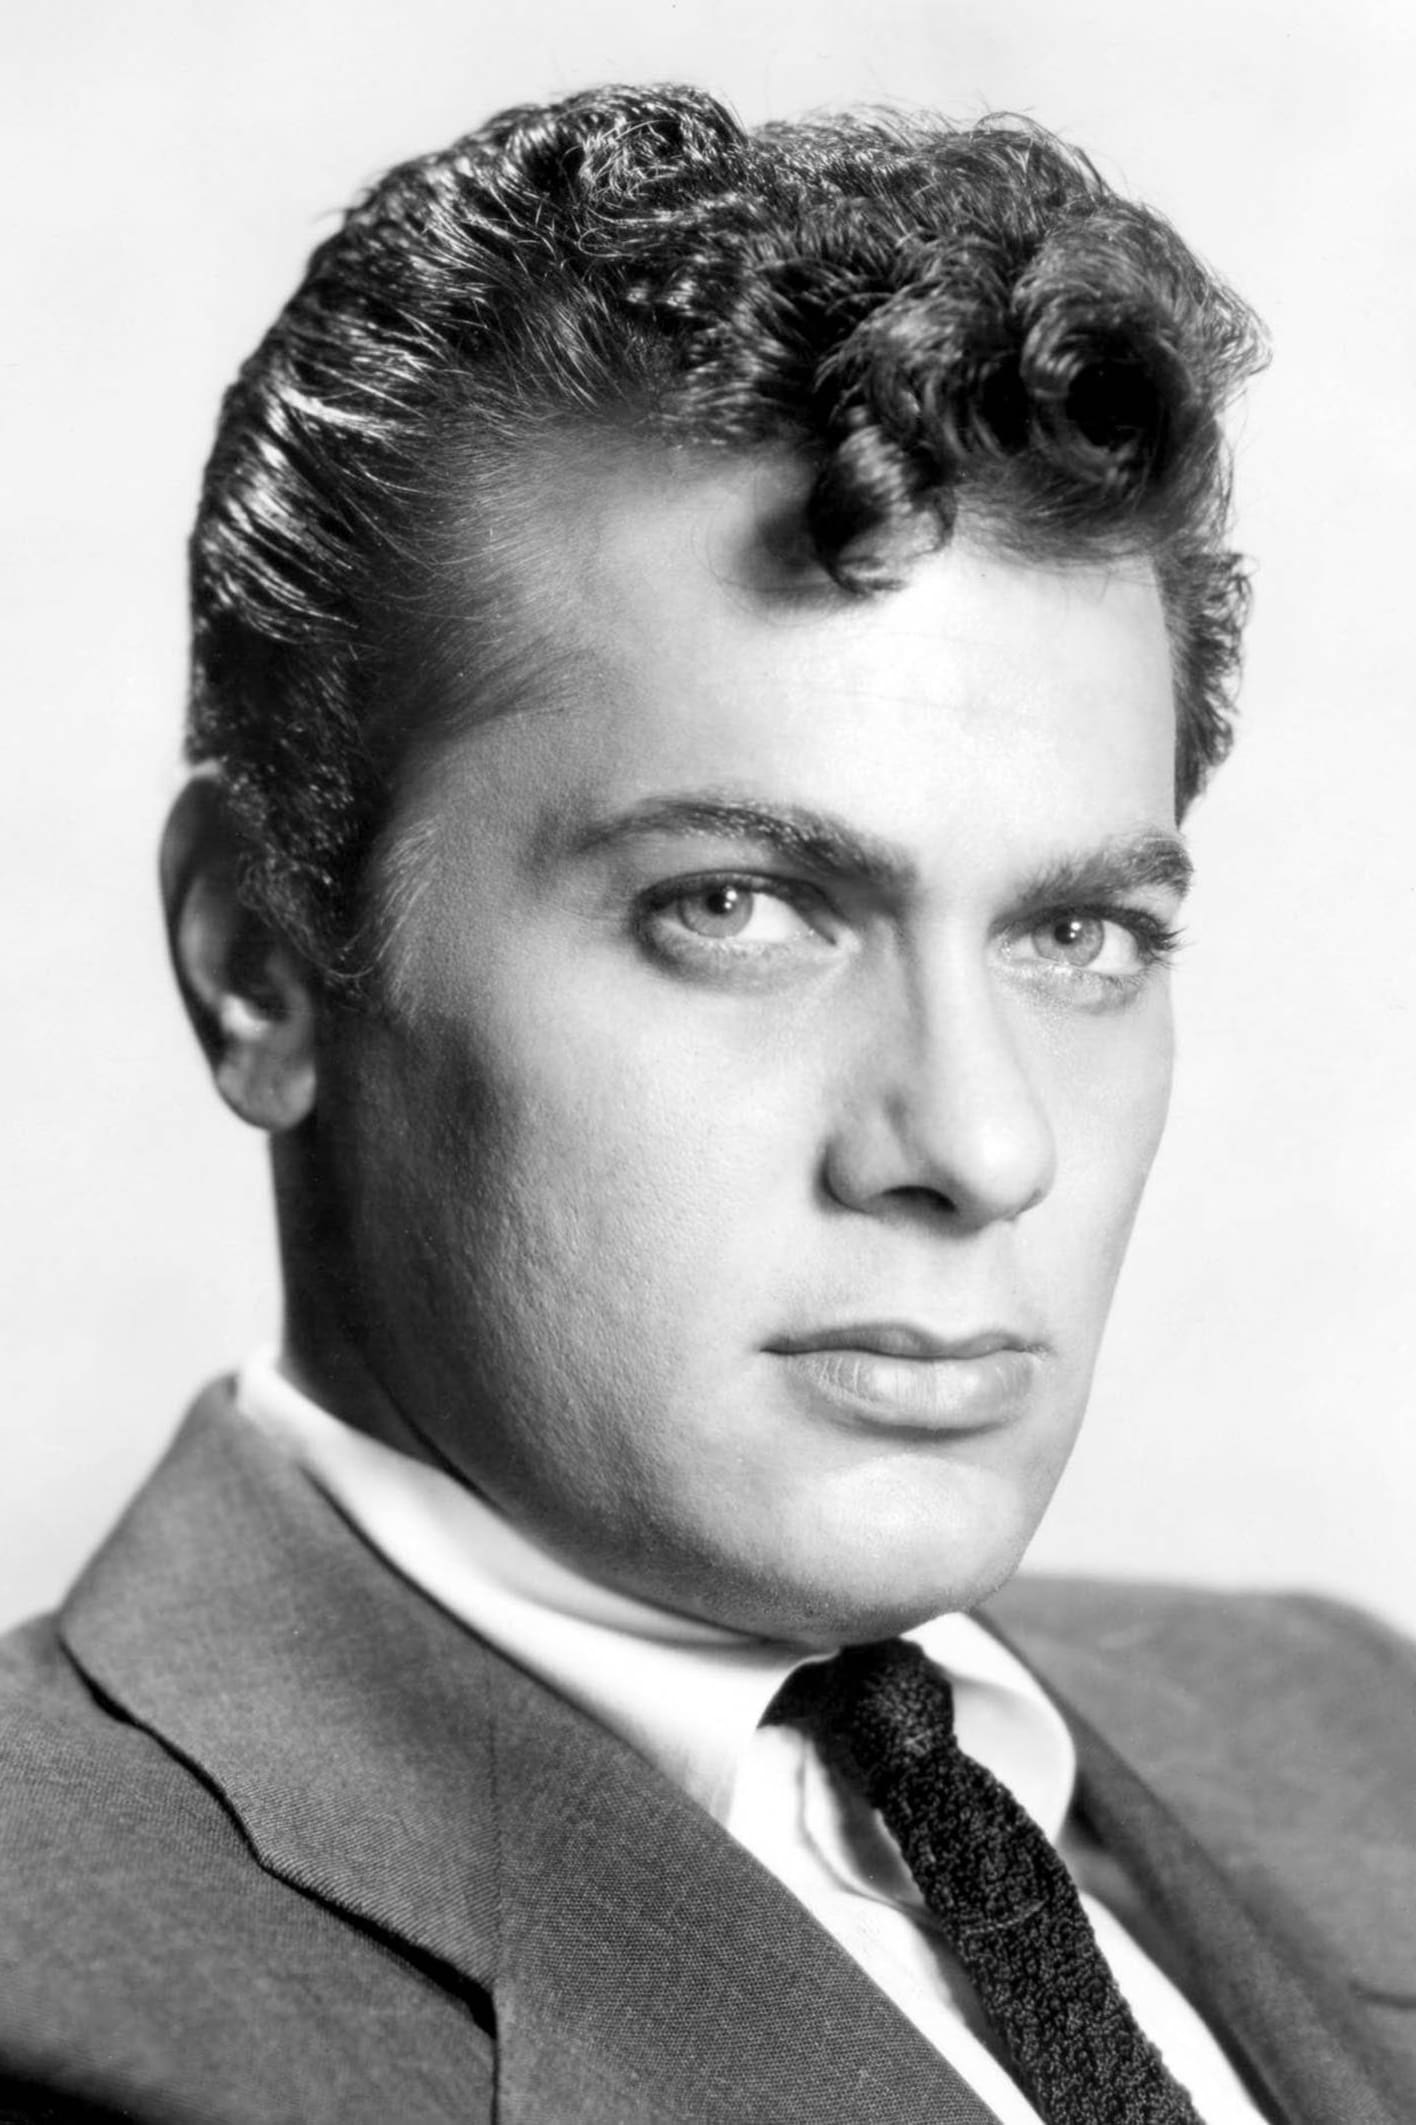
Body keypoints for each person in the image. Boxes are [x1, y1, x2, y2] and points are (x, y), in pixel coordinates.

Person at [0, 81, 1410, 2125]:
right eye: (734, 907)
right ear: (261, 959)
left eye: (1077, 933)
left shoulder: (1358, 1722)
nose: (981, 1145)